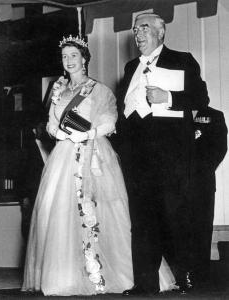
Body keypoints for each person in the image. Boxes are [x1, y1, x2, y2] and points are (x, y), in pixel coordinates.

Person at [21, 35, 133, 296]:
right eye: (65, 56)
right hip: (63, 156)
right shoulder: (58, 90)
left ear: (84, 59)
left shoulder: (99, 89)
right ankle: (65, 275)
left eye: (74, 55)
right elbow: (51, 124)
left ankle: (108, 273)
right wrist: (59, 134)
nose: (69, 60)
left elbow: (110, 121)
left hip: (93, 152)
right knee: (59, 213)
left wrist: (88, 134)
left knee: (101, 211)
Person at [117, 13, 210, 296]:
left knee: (175, 218)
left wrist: (168, 97)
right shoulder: (131, 66)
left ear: (161, 31)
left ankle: (185, 278)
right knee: (142, 222)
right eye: (135, 29)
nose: (138, 33)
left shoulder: (182, 60)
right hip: (138, 160)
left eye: (144, 27)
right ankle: (145, 282)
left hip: (171, 159)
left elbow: (201, 100)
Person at [190, 106, 227, 289]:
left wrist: (201, 171)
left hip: (202, 181)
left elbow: (220, 148)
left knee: (202, 227)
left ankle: (201, 276)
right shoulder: (172, 113)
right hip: (175, 182)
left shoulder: (214, 116)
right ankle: (181, 274)